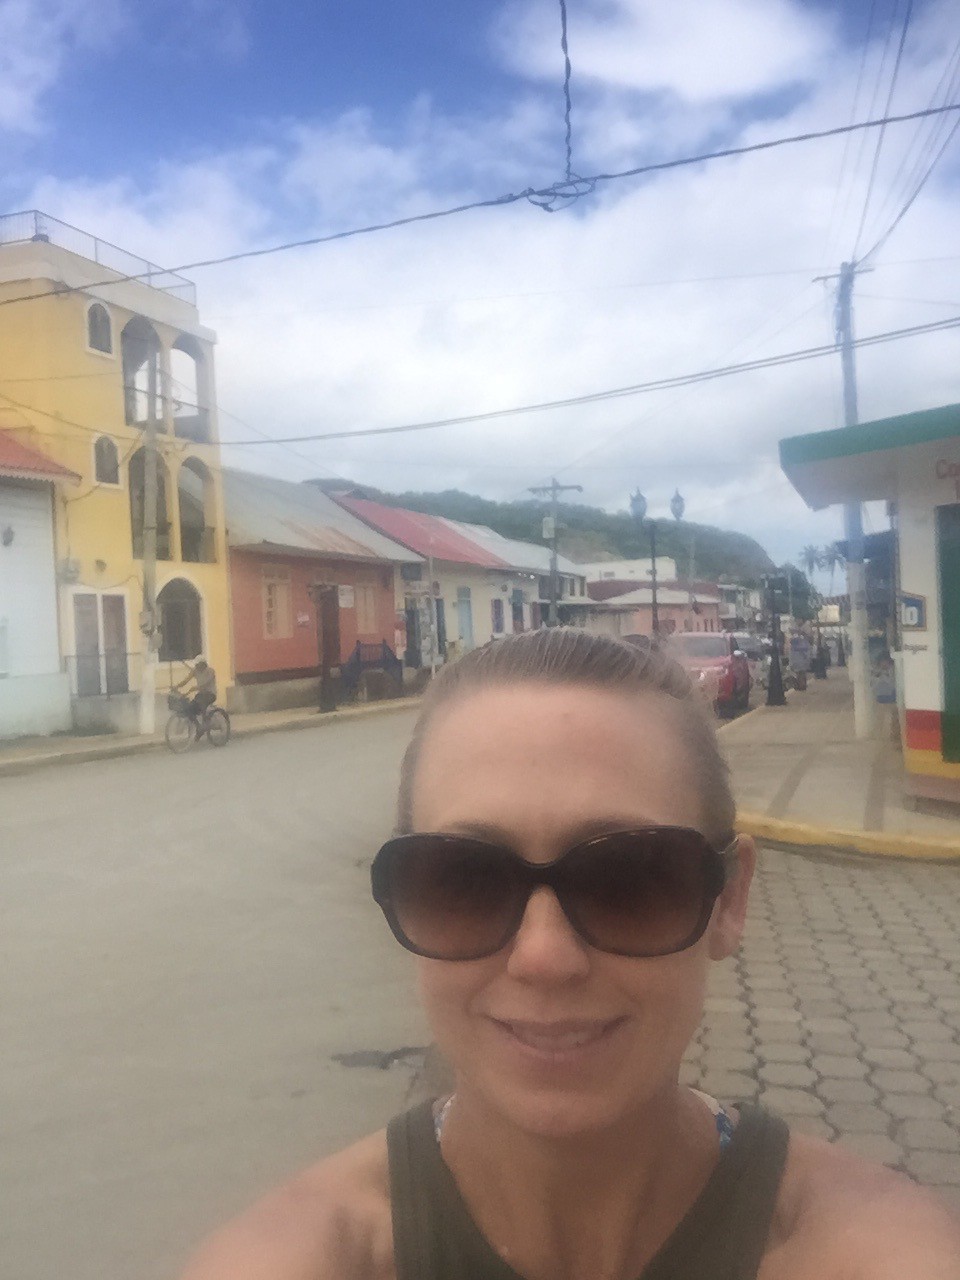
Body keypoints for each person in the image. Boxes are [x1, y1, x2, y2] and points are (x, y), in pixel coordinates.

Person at [179, 630, 960, 1280]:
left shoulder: (868, 1253)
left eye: (630, 877)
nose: (544, 959)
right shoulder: (303, 1257)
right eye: (464, 879)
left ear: (728, 900)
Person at [173, 656, 217, 724]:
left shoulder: (210, 671)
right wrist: (177, 686)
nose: (196, 666)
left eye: (198, 664)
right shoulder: (195, 671)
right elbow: (186, 680)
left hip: (210, 694)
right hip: (201, 694)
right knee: (189, 708)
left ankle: (205, 723)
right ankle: (198, 726)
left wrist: (197, 687)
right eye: (196, 665)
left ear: (203, 664)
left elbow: (207, 683)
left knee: (202, 704)